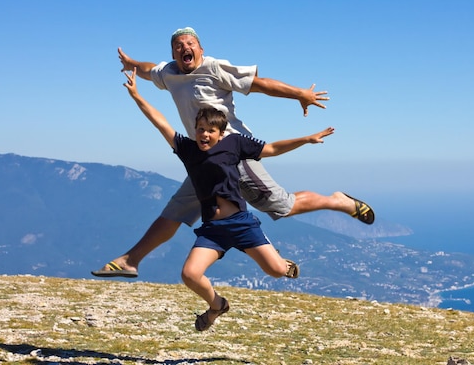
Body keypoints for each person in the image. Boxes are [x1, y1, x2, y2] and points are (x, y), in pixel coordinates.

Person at [92, 27, 374, 279]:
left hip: (232, 154)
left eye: (189, 43)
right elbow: (149, 68)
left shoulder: (215, 68)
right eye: (178, 45)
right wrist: (131, 64)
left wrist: (299, 93)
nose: (184, 47)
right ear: (173, 53)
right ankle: (130, 260)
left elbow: (259, 84)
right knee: (175, 211)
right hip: (201, 156)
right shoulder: (170, 73)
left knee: (284, 206)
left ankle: (338, 201)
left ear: (200, 49)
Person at [121, 68, 332, 331]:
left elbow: (272, 148)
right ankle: (217, 305)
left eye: (210, 130)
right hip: (213, 231)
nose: (204, 135)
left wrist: (306, 139)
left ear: (220, 133)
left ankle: (283, 263)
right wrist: (136, 96)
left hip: (242, 225)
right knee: (189, 274)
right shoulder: (187, 150)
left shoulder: (234, 144)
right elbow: (160, 122)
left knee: (276, 271)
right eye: (200, 129)